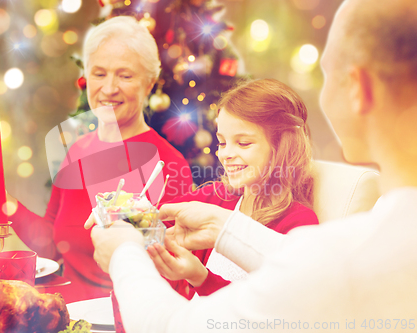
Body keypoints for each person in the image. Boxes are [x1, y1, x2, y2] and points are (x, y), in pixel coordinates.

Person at [89, 0, 417, 331]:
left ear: (358, 87)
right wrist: (141, 218)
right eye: (222, 142)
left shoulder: (334, 254)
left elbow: (179, 325)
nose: (227, 153)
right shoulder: (358, 251)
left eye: (328, 72)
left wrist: (122, 251)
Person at [0, 16, 192, 303]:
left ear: (150, 83)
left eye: (125, 75)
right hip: (67, 315)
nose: (108, 88)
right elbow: (53, 246)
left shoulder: (168, 164)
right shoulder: (76, 150)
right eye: (99, 73)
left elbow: (174, 272)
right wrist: (5, 202)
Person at [147, 79, 318, 298]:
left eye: (243, 143)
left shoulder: (299, 225)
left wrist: (201, 277)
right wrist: (123, 211)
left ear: (283, 147)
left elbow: (267, 310)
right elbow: (153, 217)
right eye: (222, 142)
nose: (225, 154)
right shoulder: (216, 196)